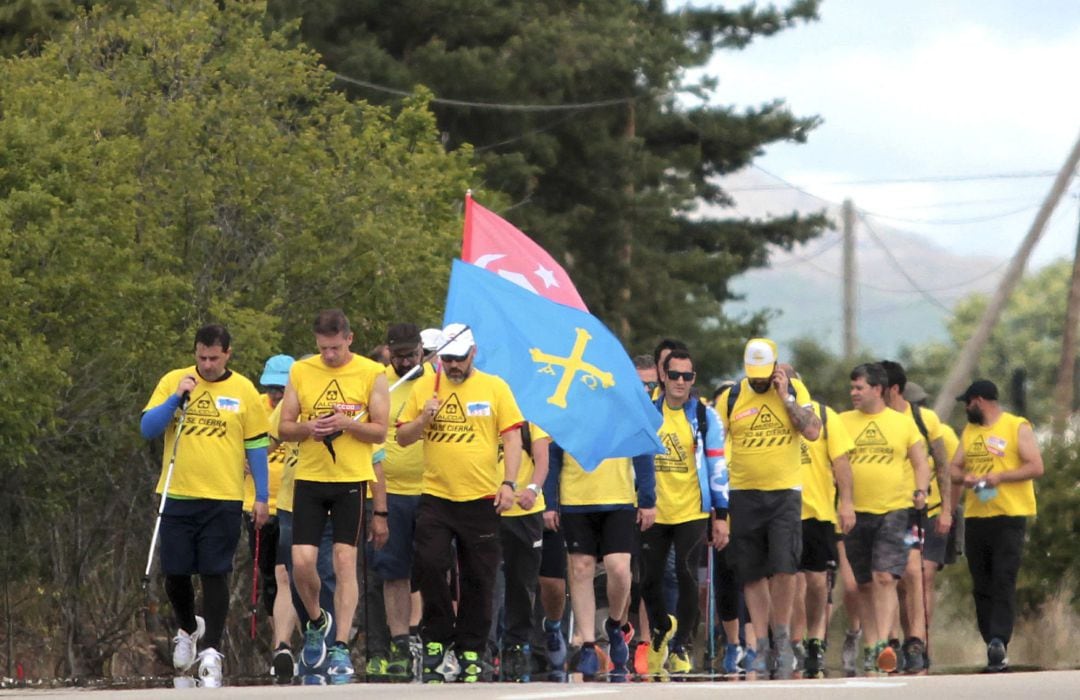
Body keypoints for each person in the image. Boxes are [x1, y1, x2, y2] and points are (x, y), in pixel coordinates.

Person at [140, 324, 270, 687]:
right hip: (177, 493)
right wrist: (174, 400)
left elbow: (257, 446)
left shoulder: (244, 391)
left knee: (215, 572)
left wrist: (261, 495)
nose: (207, 365)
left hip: (224, 497)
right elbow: (148, 428)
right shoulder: (174, 381)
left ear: (228, 354)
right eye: (201, 357)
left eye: (214, 358)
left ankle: (212, 648)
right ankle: (187, 627)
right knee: (176, 572)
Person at [397, 323, 525, 683]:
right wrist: (425, 418)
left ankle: (472, 646)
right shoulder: (425, 384)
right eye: (447, 359)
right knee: (430, 564)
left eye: (459, 359)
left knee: (479, 577)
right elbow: (403, 437)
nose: (453, 366)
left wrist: (509, 482)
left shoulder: (494, 387)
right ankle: (437, 636)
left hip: (481, 497)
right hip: (436, 496)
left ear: (473, 354)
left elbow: (512, 437)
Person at [278, 309, 390, 678]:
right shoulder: (301, 371)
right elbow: (285, 426)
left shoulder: (372, 373)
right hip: (309, 478)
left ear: (349, 339)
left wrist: (346, 423)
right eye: (323, 348)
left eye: (336, 348)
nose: (329, 355)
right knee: (303, 562)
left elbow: (380, 432)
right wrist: (309, 427)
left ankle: (341, 645)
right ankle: (315, 621)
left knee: (344, 561)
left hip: (350, 479)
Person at [715, 338, 821, 676]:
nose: (760, 382)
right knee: (752, 571)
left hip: (784, 493)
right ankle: (759, 642)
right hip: (743, 493)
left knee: (785, 566)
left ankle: (783, 635)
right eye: (755, 376)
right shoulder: (729, 398)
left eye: (765, 375)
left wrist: (785, 396)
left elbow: (813, 431)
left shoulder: (795, 390)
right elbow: (716, 445)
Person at [837, 363, 930, 674]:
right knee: (863, 583)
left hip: (895, 510)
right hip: (854, 512)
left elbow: (920, 462)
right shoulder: (841, 422)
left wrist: (920, 489)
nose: (853, 393)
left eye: (859, 388)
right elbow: (832, 463)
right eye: (851, 388)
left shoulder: (902, 424)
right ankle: (872, 643)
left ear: (877, 389)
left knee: (885, 576)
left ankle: (884, 647)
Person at [643, 349, 728, 674]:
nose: (680, 382)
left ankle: (681, 647)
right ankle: (662, 627)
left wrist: (721, 515)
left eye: (687, 376)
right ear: (663, 376)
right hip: (654, 510)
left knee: (687, 574)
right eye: (674, 375)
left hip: (692, 510)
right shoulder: (648, 412)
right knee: (648, 579)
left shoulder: (705, 417)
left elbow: (717, 464)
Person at [950, 379, 1043, 672]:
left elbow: (1035, 466)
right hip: (977, 516)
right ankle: (990, 640)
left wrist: (1000, 477)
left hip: (1009, 515)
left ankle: (1000, 639)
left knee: (1003, 578)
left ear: (980, 401)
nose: (966, 408)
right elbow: (953, 468)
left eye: (968, 402)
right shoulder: (970, 431)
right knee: (982, 583)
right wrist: (963, 477)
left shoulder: (1016, 426)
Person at [544, 447, 656, 677]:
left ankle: (615, 624)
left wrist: (647, 498)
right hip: (575, 499)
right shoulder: (567, 410)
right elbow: (553, 453)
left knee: (619, 567)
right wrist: (550, 503)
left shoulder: (624, 410)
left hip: (619, 499)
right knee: (580, 568)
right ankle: (587, 644)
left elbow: (641, 448)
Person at [879, 362, 953, 671]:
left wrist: (947, 509)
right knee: (891, 578)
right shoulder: (876, 420)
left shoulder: (925, 419)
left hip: (925, 510)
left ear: (893, 389)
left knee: (920, 575)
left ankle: (919, 642)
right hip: (886, 508)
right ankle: (892, 643)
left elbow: (943, 464)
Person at [783, 364, 855, 676]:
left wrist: (847, 503)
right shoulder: (768, 417)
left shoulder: (824, 416)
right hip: (780, 510)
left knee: (814, 581)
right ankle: (791, 640)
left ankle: (815, 637)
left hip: (817, 511)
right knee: (787, 580)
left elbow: (841, 463)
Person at [372, 323, 432, 678]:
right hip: (389, 489)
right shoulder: (379, 382)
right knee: (392, 572)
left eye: (412, 354)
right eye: (399, 356)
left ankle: (427, 636)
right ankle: (397, 642)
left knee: (431, 569)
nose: (407, 361)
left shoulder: (436, 380)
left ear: (422, 351)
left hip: (433, 490)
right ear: (388, 354)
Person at [493, 422, 552, 680]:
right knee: (485, 579)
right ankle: (485, 645)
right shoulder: (487, 409)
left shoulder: (531, 419)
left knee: (522, 581)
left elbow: (542, 460)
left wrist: (533, 489)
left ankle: (517, 645)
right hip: (487, 508)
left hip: (525, 512)